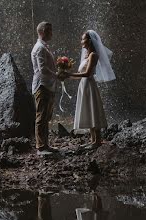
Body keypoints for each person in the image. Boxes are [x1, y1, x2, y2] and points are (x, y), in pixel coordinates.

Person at [67, 30, 115, 149]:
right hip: (83, 85)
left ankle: (97, 141)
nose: (81, 41)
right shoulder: (85, 56)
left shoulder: (93, 55)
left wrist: (68, 75)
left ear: (89, 41)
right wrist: (67, 75)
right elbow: (80, 73)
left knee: (93, 110)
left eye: (83, 39)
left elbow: (87, 73)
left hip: (89, 84)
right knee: (88, 110)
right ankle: (93, 140)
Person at [31, 22, 61, 156]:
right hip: (42, 85)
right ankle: (41, 146)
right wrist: (57, 75)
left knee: (46, 116)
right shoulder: (39, 48)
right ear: (42, 31)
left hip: (48, 84)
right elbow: (42, 69)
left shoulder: (44, 47)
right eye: (49, 31)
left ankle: (45, 145)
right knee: (41, 116)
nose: (51, 33)